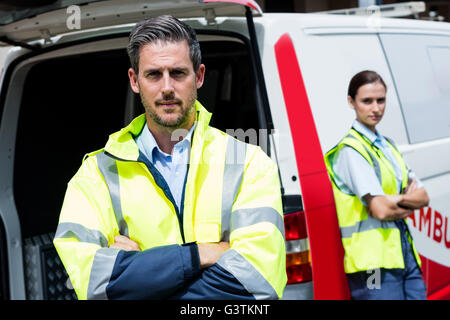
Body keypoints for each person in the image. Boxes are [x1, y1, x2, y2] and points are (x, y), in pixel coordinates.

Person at [53, 15, 286, 300]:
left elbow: (256, 282)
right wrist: (201, 254)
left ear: (199, 76)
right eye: (153, 74)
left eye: (177, 73)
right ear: (134, 80)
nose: (166, 87)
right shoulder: (95, 173)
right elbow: (92, 284)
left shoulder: (249, 162)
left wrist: (139, 273)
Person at [324, 70, 429, 300]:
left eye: (381, 100)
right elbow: (379, 209)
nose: (375, 108)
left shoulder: (388, 146)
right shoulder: (351, 151)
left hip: (403, 253)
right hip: (371, 265)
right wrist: (401, 201)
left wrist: (394, 200)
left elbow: (423, 196)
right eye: (367, 101)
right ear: (351, 102)